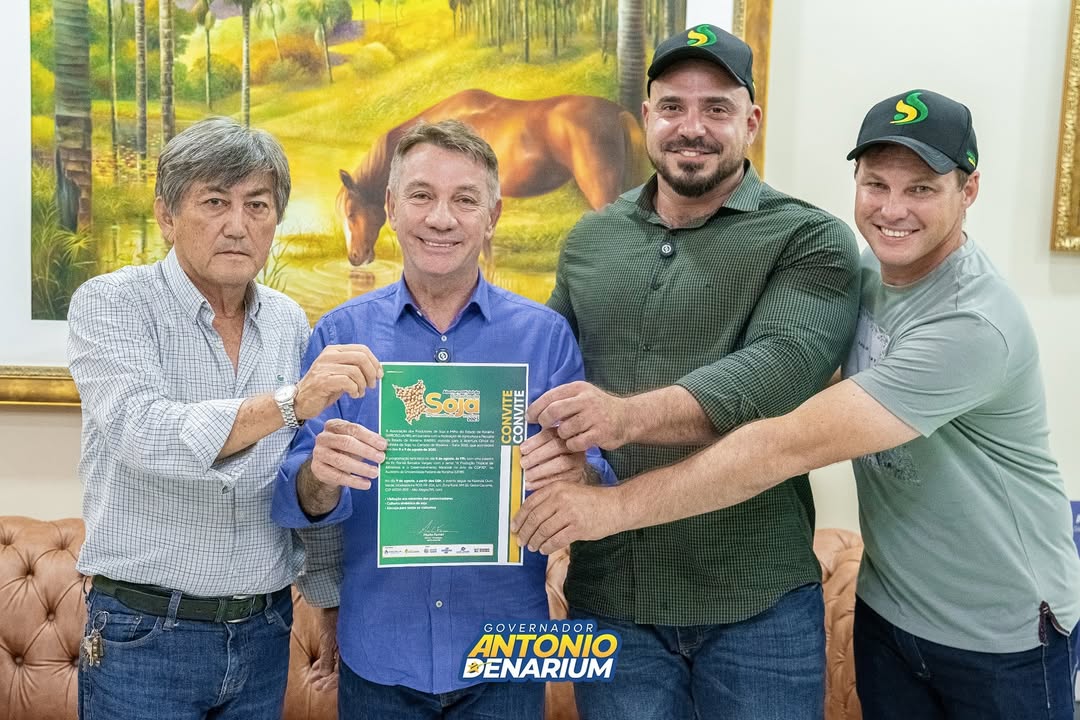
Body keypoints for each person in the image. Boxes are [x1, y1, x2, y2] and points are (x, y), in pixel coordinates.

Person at [514, 89, 1080, 720]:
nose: (893, 209)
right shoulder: (872, 274)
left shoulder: (972, 323)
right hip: (891, 612)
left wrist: (611, 499)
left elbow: (782, 444)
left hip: (1002, 632)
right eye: (877, 184)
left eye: (921, 189)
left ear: (968, 190)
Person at [511, 23, 861, 720]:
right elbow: (542, 374)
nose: (691, 127)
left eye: (716, 109)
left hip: (758, 608)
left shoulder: (809, 238)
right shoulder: (590, 239)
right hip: (612, 602)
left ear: (751, 123)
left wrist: (622, 417)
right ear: (646, 117)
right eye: (672, 106)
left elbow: (777, 376)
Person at [271, 118, 610, 720]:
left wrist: (575, 474)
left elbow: (595, 483)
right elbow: (297, 497)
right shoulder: (340, 335)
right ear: (391, 208)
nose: (441, 218)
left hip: (508, 652)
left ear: (493, 216)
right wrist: (320, 476)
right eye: (422, 195)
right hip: (380, 650)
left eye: (465, 200)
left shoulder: (546, 337)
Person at [67, 117, 381, 720]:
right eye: (215, 202)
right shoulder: (112, 303)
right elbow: (143, 431)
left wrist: (329, 602)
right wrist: (289, 402)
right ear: (166, 215)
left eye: (257, 205)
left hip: (266, 631)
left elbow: (309, 467)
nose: (238, 225)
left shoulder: (289, 321)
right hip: (144, 634)